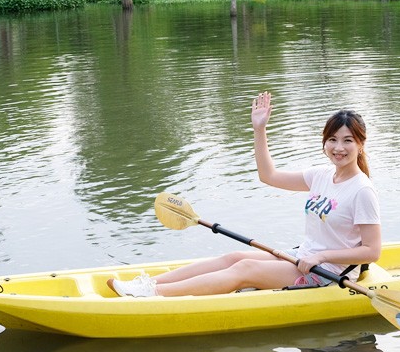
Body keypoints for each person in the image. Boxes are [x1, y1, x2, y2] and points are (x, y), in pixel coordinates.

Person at [108, 91, 381, 297]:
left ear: (361, 143)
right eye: (332, 139)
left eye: (347, 140)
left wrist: (320, 258)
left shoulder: (362, 190)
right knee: (234, 258)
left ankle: (153, 295)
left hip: (327, 272)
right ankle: (149, 283)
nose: (338, 147)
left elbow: (373, 250)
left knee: (244, 269)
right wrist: (259, 129)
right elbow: (268, 176)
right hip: (302, 257)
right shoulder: (321, 175)